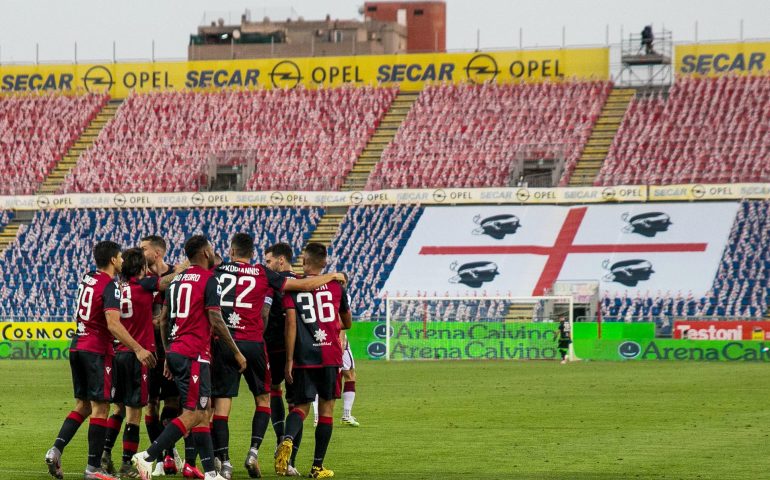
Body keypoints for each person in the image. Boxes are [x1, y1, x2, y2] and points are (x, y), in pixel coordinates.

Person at [211, 234, 347, 479]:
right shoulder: (266, 275)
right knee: (281, 400)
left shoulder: (219, 270)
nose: (267, 262)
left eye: (270, 259)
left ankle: (224, 462)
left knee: (226, 403)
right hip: (273, 347)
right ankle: (275, 454)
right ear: (252, 255)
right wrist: (334, 276)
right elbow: (303, 302)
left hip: (235, 342)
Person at [132, 235, 246, 480]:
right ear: (206, 254)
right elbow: (215, 319)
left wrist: (168, 353)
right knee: (195, 413)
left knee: (202, 413)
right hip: (194, 354)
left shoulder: (176, 280)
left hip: (176, 351)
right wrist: (236, 351)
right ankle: (148, 456)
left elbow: (163, 319)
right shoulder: (209, 280)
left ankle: (212, 473)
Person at [46, 241, 156, 480]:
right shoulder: (110, 286)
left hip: (77, 345)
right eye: (120, 257)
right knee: (101, 408)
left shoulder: (88, 278)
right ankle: (93, 468)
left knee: (83, 406)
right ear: (114, 260)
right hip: (97, 351)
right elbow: (113, 324)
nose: (123, 262)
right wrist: (138, 348)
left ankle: (56, 449)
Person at [275, 243, 352, 479]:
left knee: (301, 407)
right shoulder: (336, 287)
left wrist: (289, 359)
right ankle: (317, 467)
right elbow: (347, 322)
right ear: (324, 263)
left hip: (304, 356)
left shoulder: (294, 288)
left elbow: (291, 325)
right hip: (329, 356)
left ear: (304, 262)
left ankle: (287, 439)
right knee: (327, 410)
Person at [101, 248, 180, 477]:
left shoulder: (116, 288)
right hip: (138, 355)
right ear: (142, 268)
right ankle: (127, 463)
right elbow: (168, 280)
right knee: (134, 412)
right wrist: (187, 268)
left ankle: (106, 452)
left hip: (117, 353)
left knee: (117, 407)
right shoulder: (146, 285)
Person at [140, 235, 189, 477]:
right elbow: (157, 289)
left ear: (157, 252)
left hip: (171, 349)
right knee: (151, 405)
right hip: (148, 352)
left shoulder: (177, 273)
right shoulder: (141, 277)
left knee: (173, 403)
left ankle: (168, 454)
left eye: (144, 248)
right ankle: (159, 457)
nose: (140, 252)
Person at [263, 242, 302, 476]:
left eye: (268, 261)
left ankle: (280, 440)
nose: (266, 265)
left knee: (272, 393)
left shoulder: (270, 283)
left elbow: (265, 313)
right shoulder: (300, 282)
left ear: (280, 260)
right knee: (297, 405)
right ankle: (290, 461)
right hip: (295, 352)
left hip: (270, 348)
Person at [339, 329, 359, 427]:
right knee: (350, 376)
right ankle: (346, 415)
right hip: (338, 339)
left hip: (321, 338)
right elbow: (341, 324)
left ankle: (318, 417)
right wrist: (342, 343)